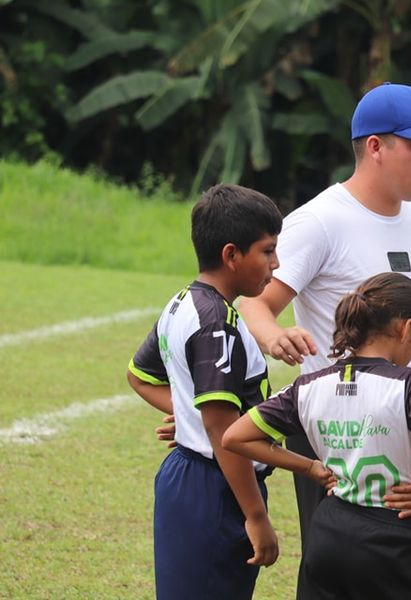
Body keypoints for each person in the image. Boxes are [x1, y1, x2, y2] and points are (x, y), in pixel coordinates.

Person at [239, 82, 411, 599]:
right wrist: (273, 336)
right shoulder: (319, 222)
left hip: (410, 420)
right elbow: (255, 300)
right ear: (376, 146)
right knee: (345, 572)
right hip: (340, 432)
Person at [126, 184, 334, 599]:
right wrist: (256, 515)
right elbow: (224, 434)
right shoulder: (216, 325)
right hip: (216, 488)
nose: (276, 264)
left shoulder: (182, 302)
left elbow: (140, 376)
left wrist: (193, 417)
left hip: (188, 477)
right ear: (231, 255)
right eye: (267, 251)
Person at [223, 272, 411, 599]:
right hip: (394, 537)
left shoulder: (309, 385)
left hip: (329, 530)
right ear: (406, 328)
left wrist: (309, 467)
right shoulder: (410, 384)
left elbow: (235, 437)